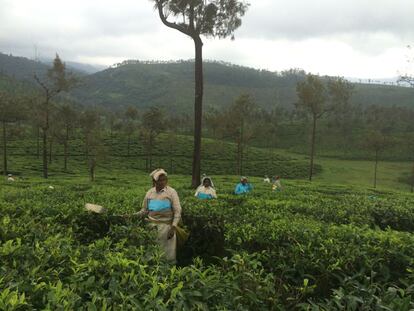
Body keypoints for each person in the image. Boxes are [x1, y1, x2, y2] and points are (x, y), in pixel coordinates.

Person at [135, 168, 182, 262]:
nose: (162, 182)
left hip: (167, 228)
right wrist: (132, 215)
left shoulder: (171, 192)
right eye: (159, 180)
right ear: (154, 181)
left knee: (167, 255)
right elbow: (144, 210)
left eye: (164, 180)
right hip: (151, 227)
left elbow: (177, 211)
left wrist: (173, 228)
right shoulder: (150, 193)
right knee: (151, 255)